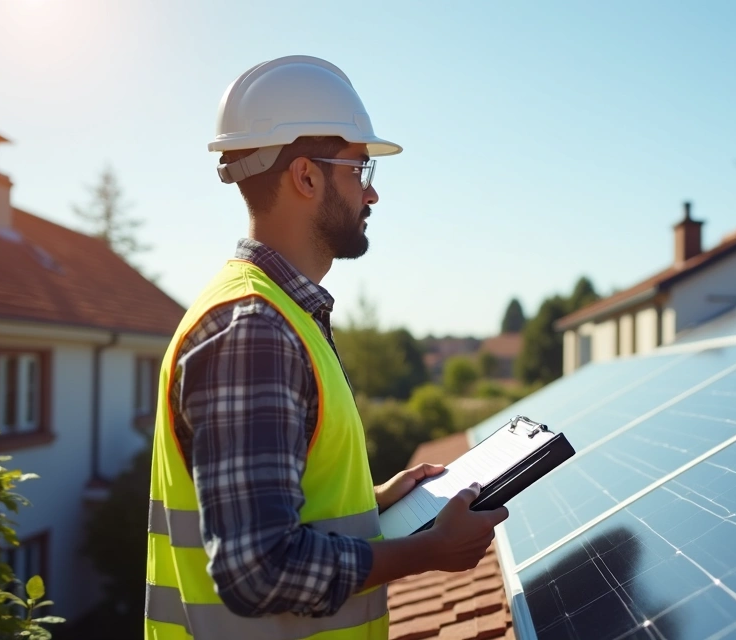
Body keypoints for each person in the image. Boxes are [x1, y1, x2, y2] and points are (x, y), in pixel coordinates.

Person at [144, 55, 508, 640]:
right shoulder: (253, 330)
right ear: (307, 177)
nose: (373, 195)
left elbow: (281, 512)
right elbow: (258, 571)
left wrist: (377, 503)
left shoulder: (278, 315)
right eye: (360, 170)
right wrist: (430, 551)